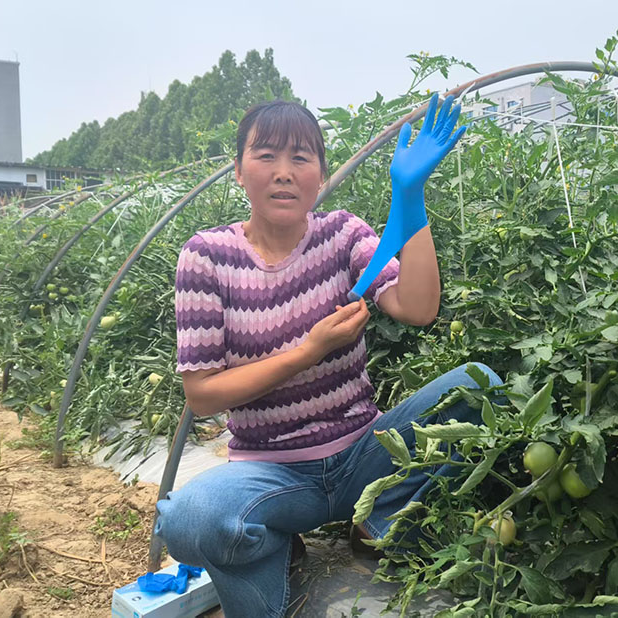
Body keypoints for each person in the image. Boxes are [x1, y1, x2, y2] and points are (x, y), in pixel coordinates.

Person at [154, 95, 502, 618]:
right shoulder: (207, 257)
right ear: (239, 171)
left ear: (320, 173)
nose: (284, 173)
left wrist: (412, 198)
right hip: (272, 474)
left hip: (363, 453)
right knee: (188, 520)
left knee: (477, 382)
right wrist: (307, 352)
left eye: (301, 157)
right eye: (266, 155)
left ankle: (377, 517)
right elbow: (202, 395)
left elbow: (418, 306)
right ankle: (273, 539)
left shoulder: (342, 234)